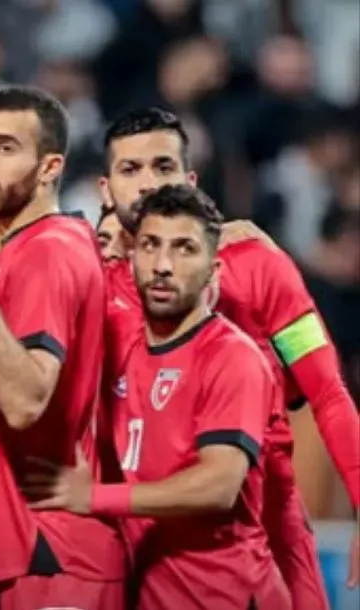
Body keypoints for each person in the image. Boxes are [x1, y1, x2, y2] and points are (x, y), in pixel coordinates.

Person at [100, 106, 359, 600]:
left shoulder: (259, 264)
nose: (149, 183)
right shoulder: (90, 280)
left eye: (164, 167)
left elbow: (326, 390)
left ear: (191, 178)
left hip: (266, 522)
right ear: (105, 189)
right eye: (130, 170)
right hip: (143, 537)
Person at [37, 184, 291, 609]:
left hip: (226, 596)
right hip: (158, 593)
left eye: (185, 249)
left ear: (214, 270)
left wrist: (96, 497)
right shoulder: (126, 345)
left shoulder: (231, 356)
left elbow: (219, 484)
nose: (163, 265)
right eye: (151, 245)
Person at [0, 86, 127, 609]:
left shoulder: (48, 254)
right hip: (36, 544)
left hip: (54, 553)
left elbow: (25, 400)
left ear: (49, 167)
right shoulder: (41, 241)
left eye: (7, 148)